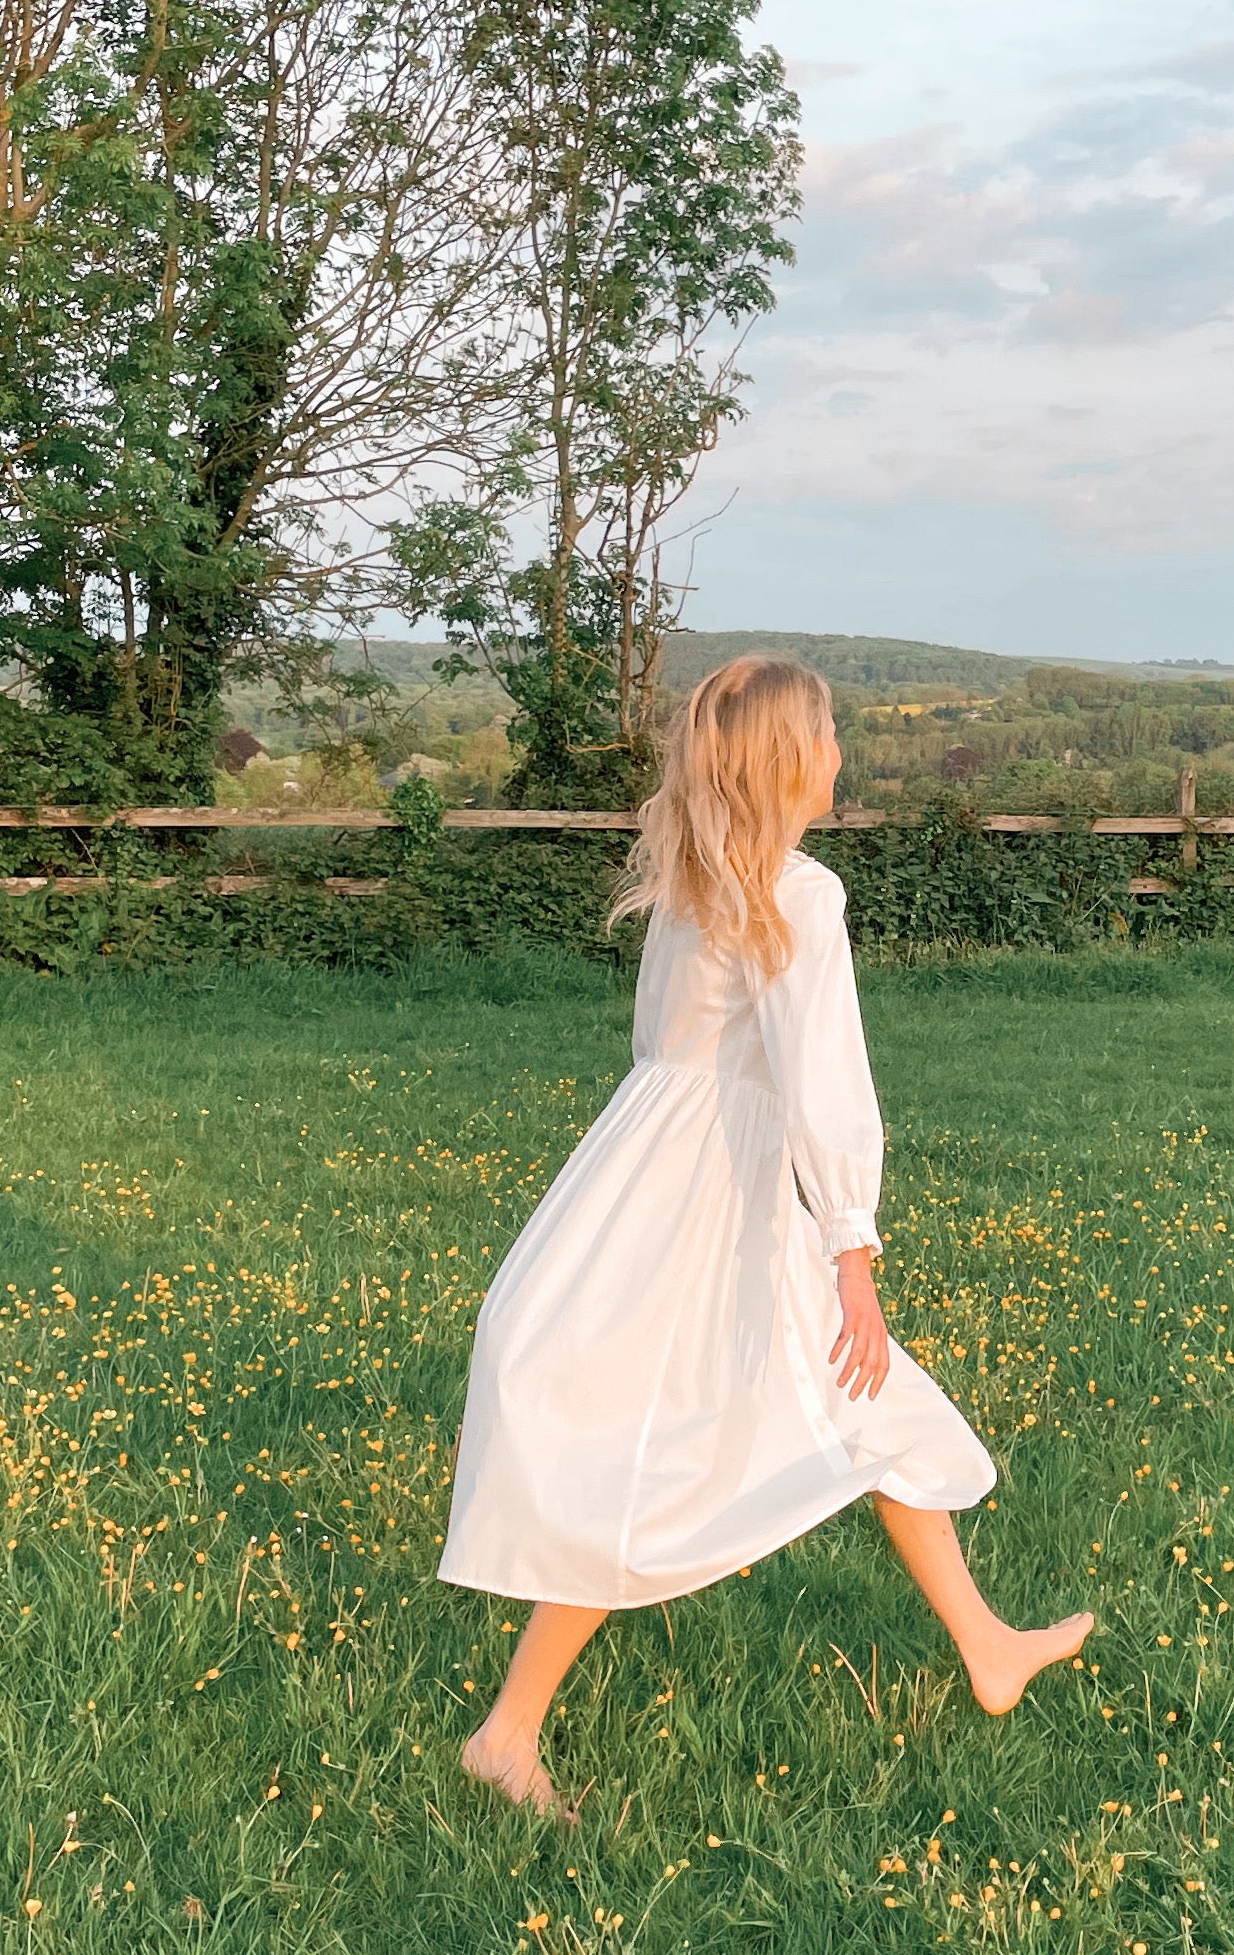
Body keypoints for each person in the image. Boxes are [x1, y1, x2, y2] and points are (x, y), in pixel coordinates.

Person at [440, 653, 1090, 1818]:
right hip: (708, 1207)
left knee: (872, 1413)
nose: (843, 753)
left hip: (650, 1178)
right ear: (796, 758)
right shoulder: (798, 892)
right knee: (666, 1449)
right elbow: (823, 1084)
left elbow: (672, 1054)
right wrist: (854, 1257)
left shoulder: (704, 882)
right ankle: (506, 1731)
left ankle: (986, 1645)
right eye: (832, 735)